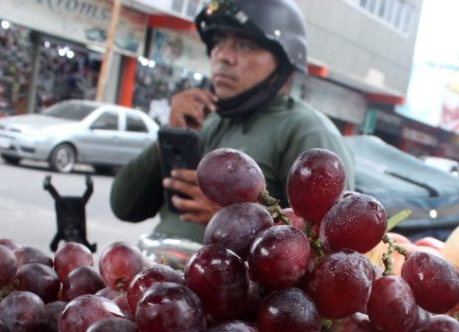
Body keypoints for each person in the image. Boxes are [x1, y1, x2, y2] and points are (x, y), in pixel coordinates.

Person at [111, 0, 354, 243]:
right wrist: (170, 137)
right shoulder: (207, 121)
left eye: (245, 46)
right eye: (218, 42)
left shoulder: (308, 132)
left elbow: (330, 246)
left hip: (219, 278)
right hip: (156, 269)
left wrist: (235, 219)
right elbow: (125, 207)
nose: (224, 56)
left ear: (283, 60)